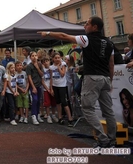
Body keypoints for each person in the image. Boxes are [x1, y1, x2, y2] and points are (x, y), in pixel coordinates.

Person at [39, 16, 116, 148]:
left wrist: (47, 33)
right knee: (108, 111)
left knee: (87, 108)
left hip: (92, 77)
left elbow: (64, 36)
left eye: (87, 24)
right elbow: (111, 64)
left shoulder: (86, 39)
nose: (84, 26)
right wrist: (110, 80)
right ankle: (112, 140)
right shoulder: (109, 42)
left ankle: (103, 139)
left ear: (94, 27)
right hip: (105, 78)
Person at [50, 53, 74, 127]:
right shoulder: (51, 67)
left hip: (62, 86)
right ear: (53, 59)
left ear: (60, 58)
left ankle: (70, 118)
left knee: (64, 102)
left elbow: (63, 74)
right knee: (58, 102)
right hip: (55, 85)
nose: (57, 59)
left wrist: (58, 68)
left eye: (58, 57)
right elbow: (51, 78)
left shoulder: (63, 64)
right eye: (55, 58)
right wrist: (51, 88)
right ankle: (60, 117)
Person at [26, 51, 44, 125]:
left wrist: (37, 67)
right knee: (35, 99)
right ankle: (33, 115)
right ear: (30, 57)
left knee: (39, 100)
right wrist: (33, 87)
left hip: (39, 85)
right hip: (33, 85)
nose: (34, 57)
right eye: (32, 56)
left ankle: (37, 114)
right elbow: (29, 77)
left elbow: (42, 74)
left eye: (35, 55)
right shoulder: (29, 66)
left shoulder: (39, 65)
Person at [41, 56, 57, 124]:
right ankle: (48, 116)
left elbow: (51, 79)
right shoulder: (42, 70)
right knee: (47, 103)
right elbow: (42, 81)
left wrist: (51, 88)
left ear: (49, 61)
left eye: (47, 61)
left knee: (53, 102)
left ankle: (53, 115)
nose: (46, 63)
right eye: (44, 62)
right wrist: (47, 89)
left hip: (52, 87)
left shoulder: (51, 69)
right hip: (45, 89)